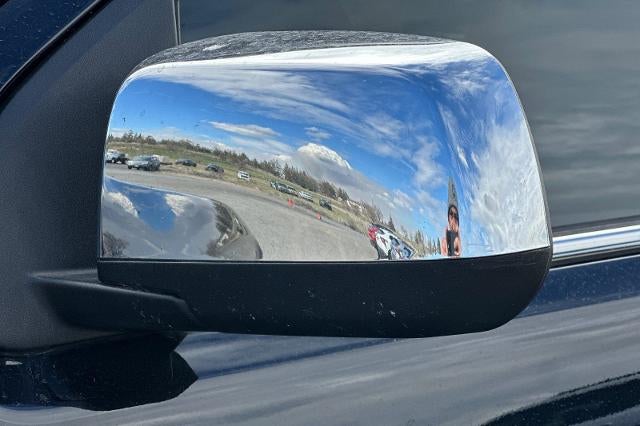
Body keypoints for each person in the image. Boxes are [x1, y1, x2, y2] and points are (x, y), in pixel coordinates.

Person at [441, 178, 462, 257]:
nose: (453, 218)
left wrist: (459, 255)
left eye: (456, 216)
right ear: (448, 218)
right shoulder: (444, 240)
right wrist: (445, 256)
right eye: (451, 214)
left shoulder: (463, 240)